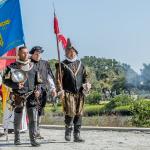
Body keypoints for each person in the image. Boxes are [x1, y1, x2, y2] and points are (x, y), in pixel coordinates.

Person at [3, 46, 41, 147]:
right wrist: (15, 85)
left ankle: (33, 140)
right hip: (18, 95)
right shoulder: (11, 67)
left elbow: (39, 82)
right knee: (18, 118)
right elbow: (5, 81)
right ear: (19, 54)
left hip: (31, 95)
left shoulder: (34, 66)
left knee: (33, 118)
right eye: (23, 53)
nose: (25, 54)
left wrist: (38, 90)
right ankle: (17, 139)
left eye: (27, 52)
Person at [55, 39, 91, 142]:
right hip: (68, 93)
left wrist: (87, 84)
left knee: (79, 113)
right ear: (66, 52)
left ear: (75, 52)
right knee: (70, 112)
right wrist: (60, 90)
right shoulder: (62, 65)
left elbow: (86, 77)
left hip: (79, 93)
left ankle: (77, 135)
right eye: (69, 51)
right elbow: (58, 79)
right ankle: (68, 132)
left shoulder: (81, 64)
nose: (71, 53)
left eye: (73, 51)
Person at [29, 46, 56, 139]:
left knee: (40, 111)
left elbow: (49, 77)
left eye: (39, 54)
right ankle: (34, 132)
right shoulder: (28, 63)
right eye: (36, 54)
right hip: (30, 92)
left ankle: (37, 130)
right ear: (32, 54)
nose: (38, 55)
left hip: (43, 90)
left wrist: (53, 88)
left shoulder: (45, 63)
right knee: (32, 111)